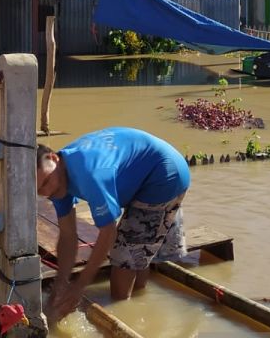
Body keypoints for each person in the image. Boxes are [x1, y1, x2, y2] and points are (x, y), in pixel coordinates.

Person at [36, 127, 189, 319]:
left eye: (46, 183)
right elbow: (67, 235)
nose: (46, 192)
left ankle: (125, 314)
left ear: (54, 158)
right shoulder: (56, 180)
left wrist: (79, 287)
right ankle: (140, 301)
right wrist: (61, 281)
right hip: (143, 174)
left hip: (164, 175)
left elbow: (108, 232)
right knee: (136, 250)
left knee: (123, 255)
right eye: (39, 190)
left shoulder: (90, 174)